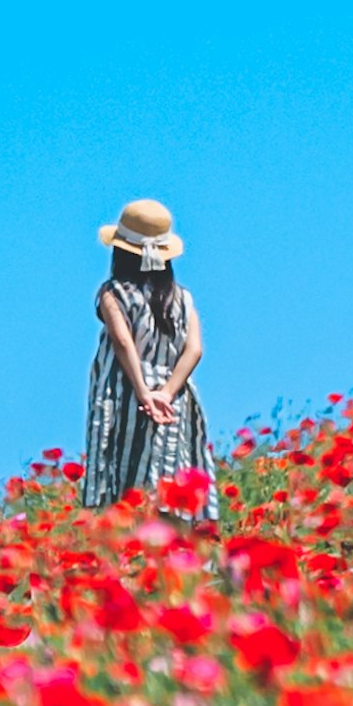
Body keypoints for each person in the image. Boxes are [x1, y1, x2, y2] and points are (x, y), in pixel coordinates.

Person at [81, 197, 215, 514]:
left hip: (125, 391)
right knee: (169, 475)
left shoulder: (112, 292)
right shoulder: (183, 298)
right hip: (173, 398)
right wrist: (166, 393)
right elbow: (194, 349)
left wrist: (144, 392)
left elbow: (123, 342)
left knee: (121, 475)